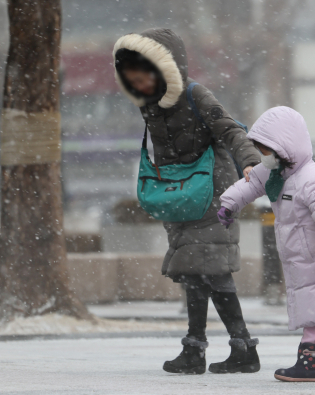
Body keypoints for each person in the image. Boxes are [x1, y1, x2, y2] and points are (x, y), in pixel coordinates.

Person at [113, 28, 261, 375]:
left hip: (212, 192)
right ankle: (201, 349)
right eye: (132, 80)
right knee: (192, 272)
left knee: (214, 270)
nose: (140, 85)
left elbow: (232, 131)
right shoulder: (150, 105)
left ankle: (235, 349)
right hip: (179, 196)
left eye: (144, 76)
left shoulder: (195, 94)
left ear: (165, 69)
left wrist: (250, 162)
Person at [218, 106, 315, 382]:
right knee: (312, 304)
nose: (264, 157)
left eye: (267, 151)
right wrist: (229, 205)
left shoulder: (311, 176)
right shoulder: (275, 174)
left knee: (312, 307)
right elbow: (248, 185)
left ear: (284, 148)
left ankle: (308, 364)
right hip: (296, 254)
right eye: (261, 151)